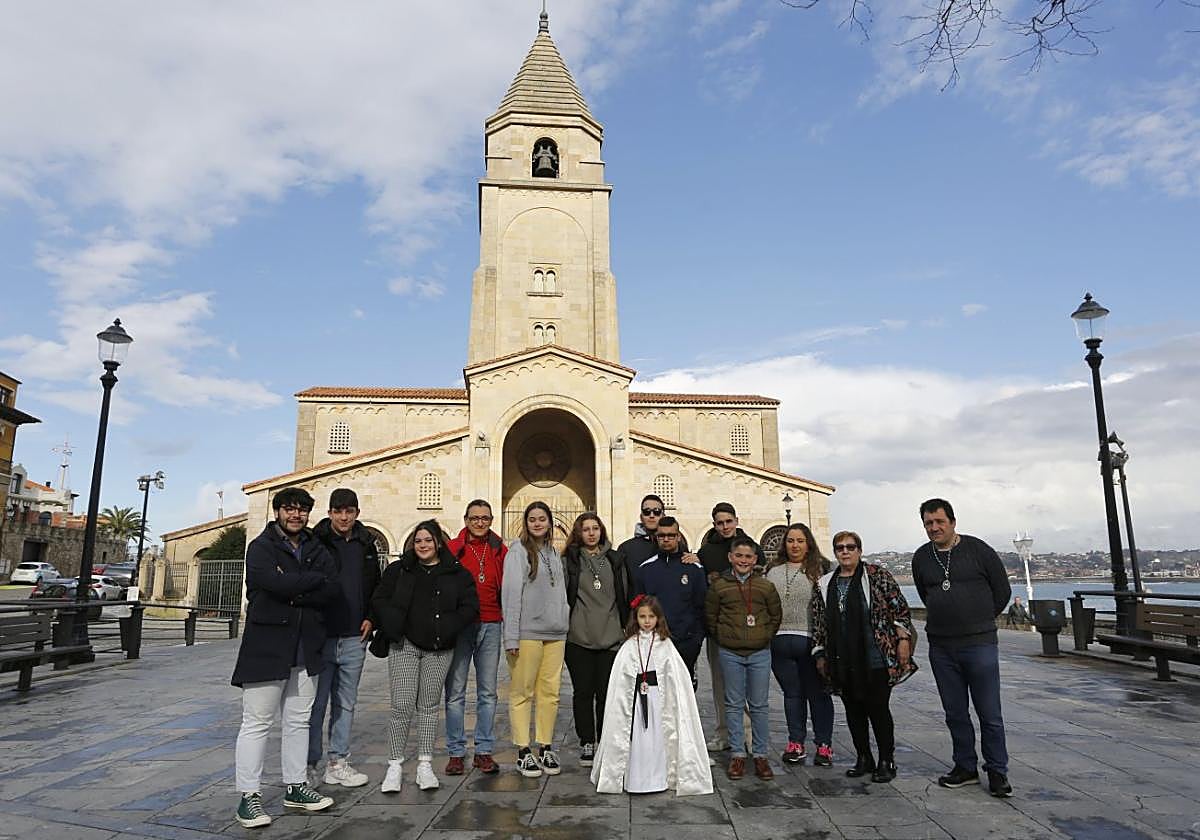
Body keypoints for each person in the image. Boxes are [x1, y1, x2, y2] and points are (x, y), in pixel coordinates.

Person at [232, 487, 339, 828]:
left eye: (302, 509)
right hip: (267, 645)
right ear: (277, 511)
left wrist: (290, 586)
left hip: (306, 646)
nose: (296, 515)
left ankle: (296, 786)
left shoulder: (316, 547)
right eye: (289, 509)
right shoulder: (261, 547)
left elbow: (331, 589)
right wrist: (308, 583)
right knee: (257, 722)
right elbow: (267, 583)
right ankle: (249, 796)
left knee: (298, 721)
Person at [911, 498, 1013, 798]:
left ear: (953, 522)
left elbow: (1002, 591)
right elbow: (925, 593)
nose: (934, 528)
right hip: (941, 646)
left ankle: (997, 771)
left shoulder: (979, 550)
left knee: (989, 712)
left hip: (979, 644)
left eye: (939, 521)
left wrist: (980, 619)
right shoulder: (922, 557)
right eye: (928, 523)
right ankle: (965, 766)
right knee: (954, 712)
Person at [372, 519, 479, 793]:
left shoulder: (456, 572)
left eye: (428, 540)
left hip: (440, 647)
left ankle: (425, 765)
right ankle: (394, 765)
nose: (423, 545)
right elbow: (380, 598)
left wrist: (450, 626)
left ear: (438, 543)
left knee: (429, 707)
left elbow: (470, 606)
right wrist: (393, 622)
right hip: (405, 645)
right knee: (401, 705)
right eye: (418, 540)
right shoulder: (399, 569)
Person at [812, 531, 916, 784]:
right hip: (841, 658)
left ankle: (886, 760)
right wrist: (820, 653)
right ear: (835, 553)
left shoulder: (877, 576)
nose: (845, 552)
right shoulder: (825, 583)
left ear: (859, 550)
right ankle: (863, 757)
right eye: (840, 548)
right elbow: (819, 621)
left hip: (875, 655)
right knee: (853, 710)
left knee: (878, 710)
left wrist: (903, 640)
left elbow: (900, 609)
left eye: (850, 547)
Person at [591, 595, 713, 796]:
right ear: (636, 618)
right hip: (636, 701)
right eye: (642, 617)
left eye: (651, 617)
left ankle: (658, 778)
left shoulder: (665, 645)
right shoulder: (629, 645)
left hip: (658, 701)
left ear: (658, 618)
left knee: (657, 738)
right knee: (639, 739)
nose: (647, 621)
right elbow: (620, 680)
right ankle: (636, 778)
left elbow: (676, 678)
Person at [307, 488, 380, 788]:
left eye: (349, 511)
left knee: (346, 703)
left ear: (357, 513)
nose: (344, 517)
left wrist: (372, 617)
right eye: (338, 511)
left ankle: (337, 762)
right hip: (323, 636)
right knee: (316, 705)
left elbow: (375, 585)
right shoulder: (316, 541)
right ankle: (309, 765)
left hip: (354, 637)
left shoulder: (366, 543)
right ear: (329, 513)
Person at [705, 536, 782, 781]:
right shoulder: (719, 586)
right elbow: (711, 616)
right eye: (739, 556)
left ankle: (760, 754)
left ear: (755, 559)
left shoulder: (765, 586)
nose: (743, 560)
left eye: (748, 556)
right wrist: (723, 637)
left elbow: (775, 616)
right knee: (733, 704)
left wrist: (764, 636)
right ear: (730, 557)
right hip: (730, 652)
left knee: (759, 705)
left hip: (759, 652)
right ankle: (737, 753)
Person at [502, 501, 570, 778]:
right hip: (527, 633)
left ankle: (545, 745)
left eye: (542, 518)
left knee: (550, 693)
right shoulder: (517, 552)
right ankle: (522, 749)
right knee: (522, 691)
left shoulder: (553, 552)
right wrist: (511, 637)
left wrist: (563, 618)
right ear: (526, 523)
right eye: (532, 519)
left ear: (550, 522)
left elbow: (561, 592)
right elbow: (511, 595)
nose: (538, 523)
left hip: (555, 633)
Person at [563, 512, 632, 767]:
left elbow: (625, 593)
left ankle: (604, 739)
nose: (591, 533)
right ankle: (587, 741)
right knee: (583, 692)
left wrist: (627, 626)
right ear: (578, 533)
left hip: (611, 636)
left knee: (606, 693)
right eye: (586, 529)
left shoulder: (615, 559)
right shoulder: (570, 560)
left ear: (601, 531)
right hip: (578, 637)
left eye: (595, 528)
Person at [443, 499, 507, 776]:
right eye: (474, 518)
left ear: (491, 520)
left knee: (488, 692)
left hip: (491, 624)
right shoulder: (452, 549)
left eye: (485, 518)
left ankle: (483, 750)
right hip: (461, 627)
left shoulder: (499, 548)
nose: (479, 523)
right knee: (455, 692)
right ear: (466, 520)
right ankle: (456, 752)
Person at [697, 502, 767, 752]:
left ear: (736, 520)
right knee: (720, 684)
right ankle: (724, 733)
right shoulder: (707, 552)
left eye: (729, 521)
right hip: (719, 629)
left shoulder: (751, 547)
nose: (725, 526)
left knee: (749, 686)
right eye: (720, 523)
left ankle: (749, 735)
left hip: (749, 628)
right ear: (714, 524)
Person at [765, 522, 834, 767]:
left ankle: (824, 744)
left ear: (808, 544)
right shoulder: (772, 571)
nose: (795, 545)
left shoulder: (821, 570)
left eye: (800, 541)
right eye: (790, 540)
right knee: (792, 695)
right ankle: (796, 742)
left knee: (817, 694)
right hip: (780, 642)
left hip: (810, 642)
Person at [632, 516, 708, 686]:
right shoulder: (646, 569)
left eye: (671, 535)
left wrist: (696, 639)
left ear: (678, 536)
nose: (666, 539)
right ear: (656, 537)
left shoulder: (693, 568)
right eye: (662, 535)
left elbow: (701, 605)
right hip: (654, 643)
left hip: (686, 642)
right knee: (656, 691)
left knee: (683, 692)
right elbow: (638, 606)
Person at [617, 494, 667, 568]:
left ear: (663, 516)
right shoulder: (626, 548)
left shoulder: (676, 545)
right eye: (647, 512)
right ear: (641, 517)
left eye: (656, 511)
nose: (651, 515)